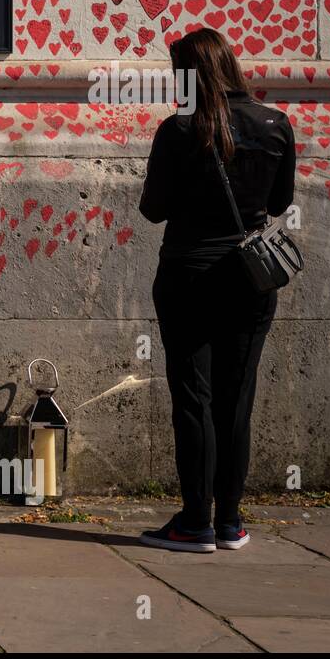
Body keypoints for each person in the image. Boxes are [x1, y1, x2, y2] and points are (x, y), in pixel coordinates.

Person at [137, 28, 296, 553]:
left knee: (194, 398)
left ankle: (193, 522)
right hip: (250, 280)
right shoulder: (275, 124)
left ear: (189, 73)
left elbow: (154, 209)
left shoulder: (178, 130)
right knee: (236, 400)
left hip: (188, 274)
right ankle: (230, 523)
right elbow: (276, 204)